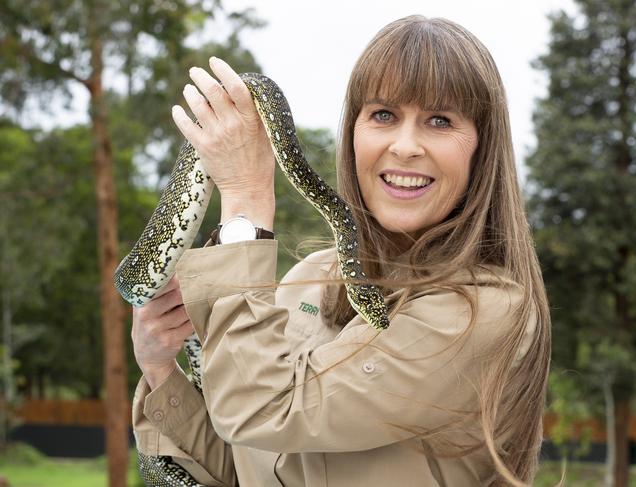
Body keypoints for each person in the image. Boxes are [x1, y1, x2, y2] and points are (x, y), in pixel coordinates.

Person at [130, 15, 551, 487]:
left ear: (482, 148)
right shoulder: (311, 275)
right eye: (384, 115)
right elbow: (245, 465)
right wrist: (159, 366)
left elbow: (265, 410)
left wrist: (246, 196)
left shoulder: (482, 311)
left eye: (439, 120)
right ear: (353, 133)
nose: (405, 146)